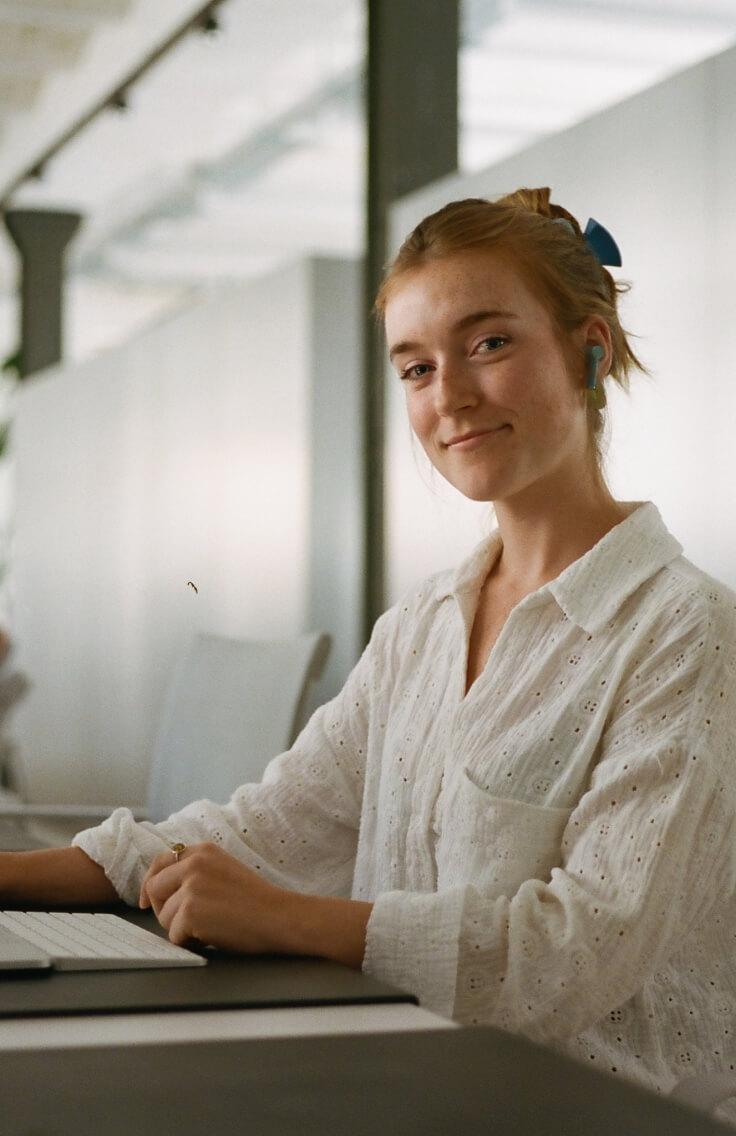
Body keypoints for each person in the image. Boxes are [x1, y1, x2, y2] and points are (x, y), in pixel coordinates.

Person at [1, 187, 735, 1118]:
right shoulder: (422, 626)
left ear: (589, 349)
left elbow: (578, 953)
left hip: (591, 1107)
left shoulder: (685, 632)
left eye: (490, 344)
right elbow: (270, 828)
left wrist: (282, 918)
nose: (450, 396)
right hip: (410, 1072)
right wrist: (11, 875)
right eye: (417, 367)